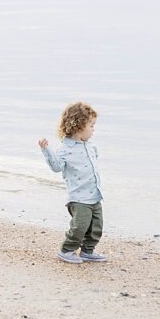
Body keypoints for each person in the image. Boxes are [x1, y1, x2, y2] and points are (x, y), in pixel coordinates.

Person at [38, 101, 107, 264]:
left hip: (95, 195)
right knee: (80, 226)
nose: (93, 130)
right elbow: (56, 167)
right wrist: (46, 150)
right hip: (78, 198)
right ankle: (67, 250)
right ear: (78, 126)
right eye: (91, 126)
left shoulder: (90, 147)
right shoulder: (65, 149)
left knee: (96, 227)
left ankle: (87, 251)